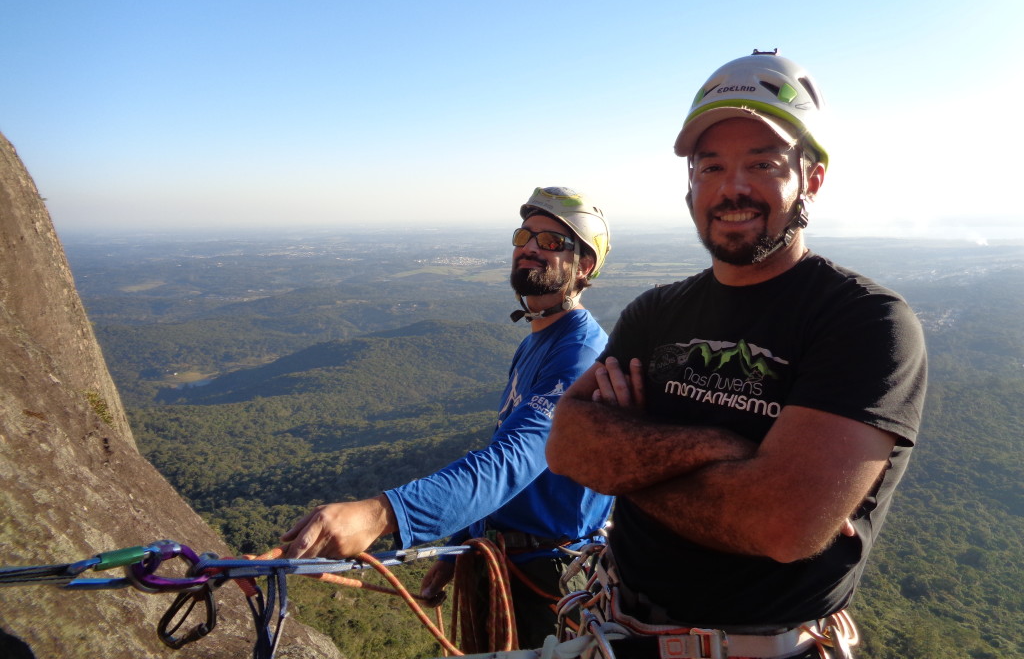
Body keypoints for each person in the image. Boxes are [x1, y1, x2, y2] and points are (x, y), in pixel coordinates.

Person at [546, 50, 927, 659]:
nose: (733, 188)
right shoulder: (656, 311)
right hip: (615, 631)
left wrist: (626, 461)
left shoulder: (865, 323)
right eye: (711, 166)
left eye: (763, 164)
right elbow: (568, 444)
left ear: (813, 178)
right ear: (691, 183)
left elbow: (781, 525)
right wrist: (719, 450)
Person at [281, 186, 614, 649]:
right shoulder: (537, 341)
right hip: (502, 559)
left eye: (553, 242)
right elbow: (509, 454)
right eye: (524, 236)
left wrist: (383, 513)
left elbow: (511, 461)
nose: (531, 248)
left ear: (583, 267)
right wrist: (461, 545)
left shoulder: (579, 356)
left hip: (546, 578)